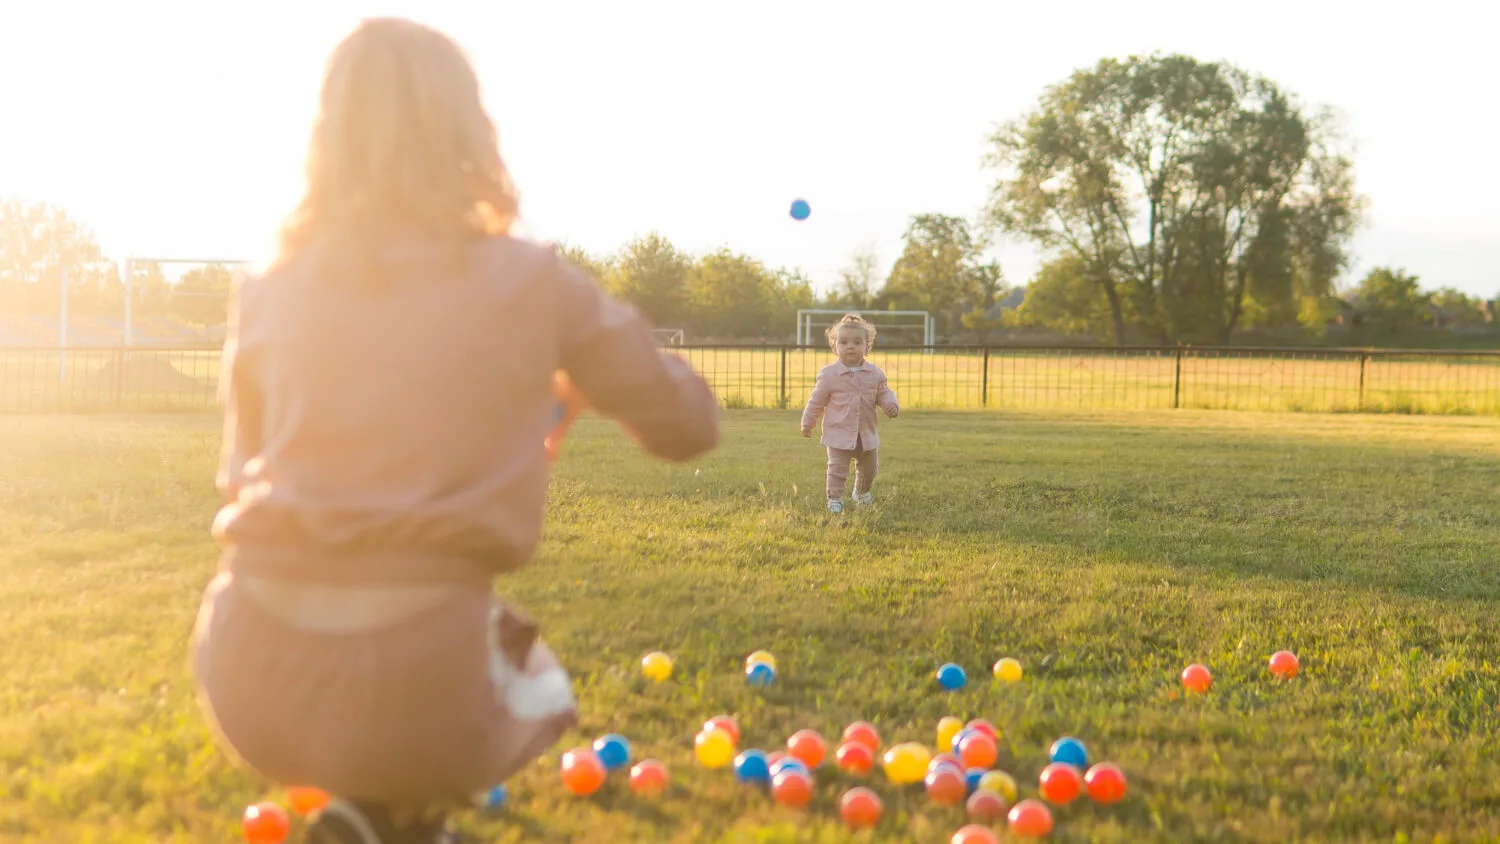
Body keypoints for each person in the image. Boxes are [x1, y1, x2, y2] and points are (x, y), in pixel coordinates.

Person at [189, 17, 719, 844]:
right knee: (535, 677)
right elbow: (688, 426)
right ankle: (395, 814)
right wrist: (576, 371)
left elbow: (241, 468)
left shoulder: (269, 287)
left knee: (403, 711)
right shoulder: (531, 280)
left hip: (246, 671)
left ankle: (374, 823)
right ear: (469, 132)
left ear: (325, 137)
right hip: (418, 682)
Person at [799, 313, 899, 513]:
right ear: (835, 346)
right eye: (844, 342)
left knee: (869, 469)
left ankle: (861, 493)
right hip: (839, 434)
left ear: (867, 346)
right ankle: (834, 498)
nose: (850, 346)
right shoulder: (829, 375)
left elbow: (883, 392)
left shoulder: (875, 373)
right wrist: (808, 422)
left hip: (866, 434)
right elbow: (816, 401)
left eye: (857, 342)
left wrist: (890, 404)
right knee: (837, 469)